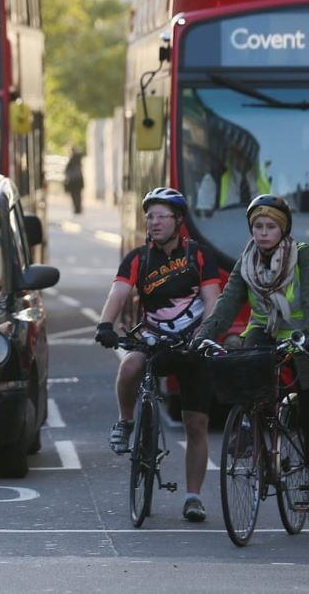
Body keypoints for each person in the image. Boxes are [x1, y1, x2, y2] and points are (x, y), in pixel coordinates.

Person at [94, 187, 221, 522]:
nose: (153, 222)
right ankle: (125, 421)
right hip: (154, 339)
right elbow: (118, 292)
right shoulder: (138, 258)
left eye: (161, 216)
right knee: (130, 365)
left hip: (192, 344)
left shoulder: (199, 255)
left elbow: (212, 300)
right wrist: (105, 324)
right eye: (149, 216)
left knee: (196, 424)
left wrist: (205, 335)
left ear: (178, 221)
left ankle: (193, 497)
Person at [192, 195, 309, 428]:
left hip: (300, 334)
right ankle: (247, 430)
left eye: (271, 227)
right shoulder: (246, 261)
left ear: (283, 229)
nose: (263, 233)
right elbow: (228, 302)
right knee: (245, 380)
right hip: (262, 331)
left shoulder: (302, 255)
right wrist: (204, 336)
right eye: (258, 226)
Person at [63, 147, 84, 215]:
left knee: (76, 196)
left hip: (74, 181)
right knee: (77, 196)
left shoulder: (74, 159)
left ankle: (77, 208)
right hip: (77, 181)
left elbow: (66, 171)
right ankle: (77, 208)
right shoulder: (77, 160)